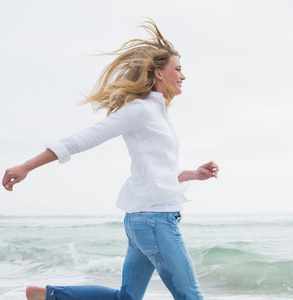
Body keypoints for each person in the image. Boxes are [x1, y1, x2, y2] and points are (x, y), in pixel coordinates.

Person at [2, 19, 219, 300]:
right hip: (154, 220)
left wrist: (191, 174)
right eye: (177, 69)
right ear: (158, 74)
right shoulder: (140, 110)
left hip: (143, 218)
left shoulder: (158, 113)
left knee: (126, 298)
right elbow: (84, 138)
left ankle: (50, 295)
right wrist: (27, 166)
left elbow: (155, 171)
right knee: (192, 297)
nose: (183, 76)